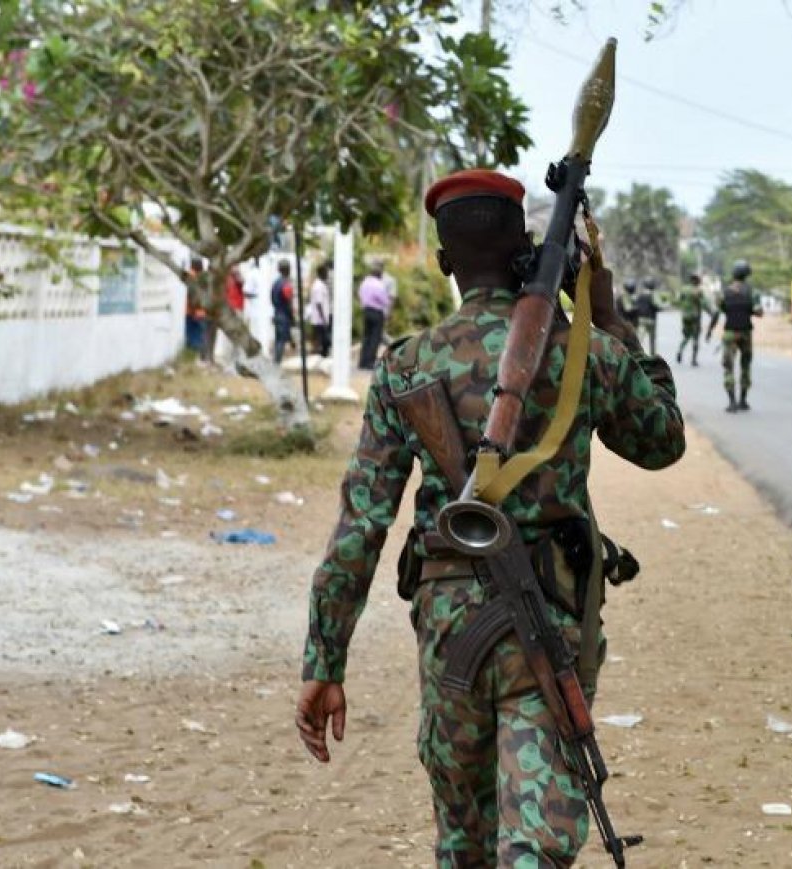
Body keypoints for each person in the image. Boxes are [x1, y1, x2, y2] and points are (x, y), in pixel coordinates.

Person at [293, 169, 685, 866]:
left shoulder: (407, 365)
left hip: (450, 633)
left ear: (445, 263)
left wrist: (326, 658)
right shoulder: (584, 352)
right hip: (550, 625)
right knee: (535, 842)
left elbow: (362, 525)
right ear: (526, 248)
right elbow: (662, 442)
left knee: (463, 843)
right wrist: (609, 316)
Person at [706, 259, 761, 412]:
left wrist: (710, 330)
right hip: (745, 333)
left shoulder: (725, 292)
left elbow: (718, 312)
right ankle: (743, 401)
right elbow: (759, 311)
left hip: (730, 333)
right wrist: (749, 309)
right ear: (746, 275)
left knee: (728, 367)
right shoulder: (751, 291)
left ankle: (732, 402)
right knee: (745, 366)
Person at [357, 262, 392, 369]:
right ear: (379, 275)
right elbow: (385, 300)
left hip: (366, 311)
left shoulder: (364, 283)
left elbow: (359, 294)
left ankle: (362, 361)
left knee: (366, 337)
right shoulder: (379, 285)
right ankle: (370, 362)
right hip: (376, 313)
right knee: (374, 338)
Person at [676, 272, 710, 367]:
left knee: (686, 337)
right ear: (697, 281)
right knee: (695, 338)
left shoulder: (684, 289)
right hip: (695, 317)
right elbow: (704, 304)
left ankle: (680, 351)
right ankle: (693, 360)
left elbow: (679, 301)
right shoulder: (698, 291)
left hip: (685, 316)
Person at [270, 260, 294, 364]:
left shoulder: (275, 283)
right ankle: (276, 363)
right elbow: (288, 301)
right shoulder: (286, 284)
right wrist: (292, 316)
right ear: (288, 270)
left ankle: (276, 361)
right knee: (281, 341)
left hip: (276, 313)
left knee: (277, 340)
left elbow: (271, 298)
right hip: (284, 315)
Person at [307, 262, 333, 358]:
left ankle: (322, 355)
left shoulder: (321, 284)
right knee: (323, 340)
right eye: (326, 272)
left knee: (323, 341)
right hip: (320, 319)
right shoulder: (318, 286)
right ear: (322, 273)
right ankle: (321, 356)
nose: (327, 274)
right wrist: (324, 319)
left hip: (321, 318)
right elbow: (318, 303)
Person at [634, 276, 661, 355]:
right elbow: (657, 305)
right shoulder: (653, 295)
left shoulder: (640, 295)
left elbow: (636, 306)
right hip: (651, 320)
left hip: (641, 319)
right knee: (652, 339)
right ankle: (652, 356)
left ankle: (636, 354)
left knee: (640, 338)